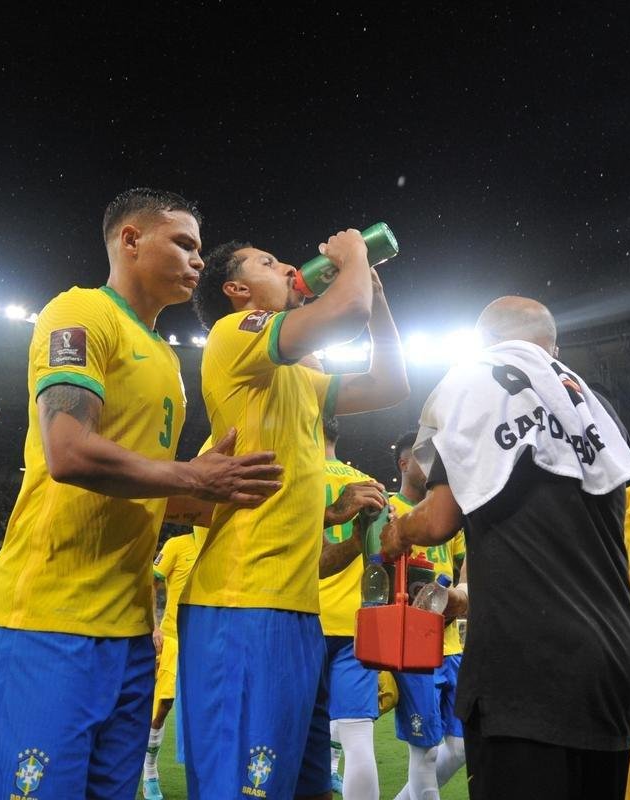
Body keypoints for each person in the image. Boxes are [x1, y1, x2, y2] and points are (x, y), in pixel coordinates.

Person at [0, 188, 283, 800]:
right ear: (131, 239)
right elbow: (68, 451)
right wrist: (194, 475)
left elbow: (154, 494)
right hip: (47, 619)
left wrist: (240, 492)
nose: (198, 260)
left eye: (199, 249)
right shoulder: (80, 312)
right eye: (183, 243)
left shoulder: (165, 359)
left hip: (130, 633)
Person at [381, 296, 630, 800]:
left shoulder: (473, 387)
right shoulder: (596, 408)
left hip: (525, 663)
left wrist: (397, 533)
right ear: (553, 349)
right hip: (612, 659)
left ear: (483, 344)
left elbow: (438, 520)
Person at [181, 229, 408, 799]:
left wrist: (378, 300)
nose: (287, 267)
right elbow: (344, 312)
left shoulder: (301, 381)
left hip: (298, 609)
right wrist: (353, 255)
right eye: (267, 261)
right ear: (237, 290)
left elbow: (390, 384)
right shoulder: (232, 332)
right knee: (246, 788)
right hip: (242, 604)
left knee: (306, 786)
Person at [386, 430, 468, 800]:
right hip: (413, 648)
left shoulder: (448, 512)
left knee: (461, 747)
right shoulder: (388, 509)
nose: (433, 465)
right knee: (425, 750)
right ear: (404, 463)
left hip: (451, 644)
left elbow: (464, 567)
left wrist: (459, 595)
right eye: (424, 459)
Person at [316, 416, 388, 799]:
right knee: (358, 738)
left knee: (292, 733)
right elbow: (380, 562)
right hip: (355, 626)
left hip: (303, 619)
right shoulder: (369, 485)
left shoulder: (298, 475)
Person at [142, 528, 200, 800]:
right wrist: (154, 626)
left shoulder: (222, 544)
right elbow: (151, 582)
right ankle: (150, 770)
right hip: (173, 638)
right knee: (163, 704)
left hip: (207, 642)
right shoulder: (178, 545)